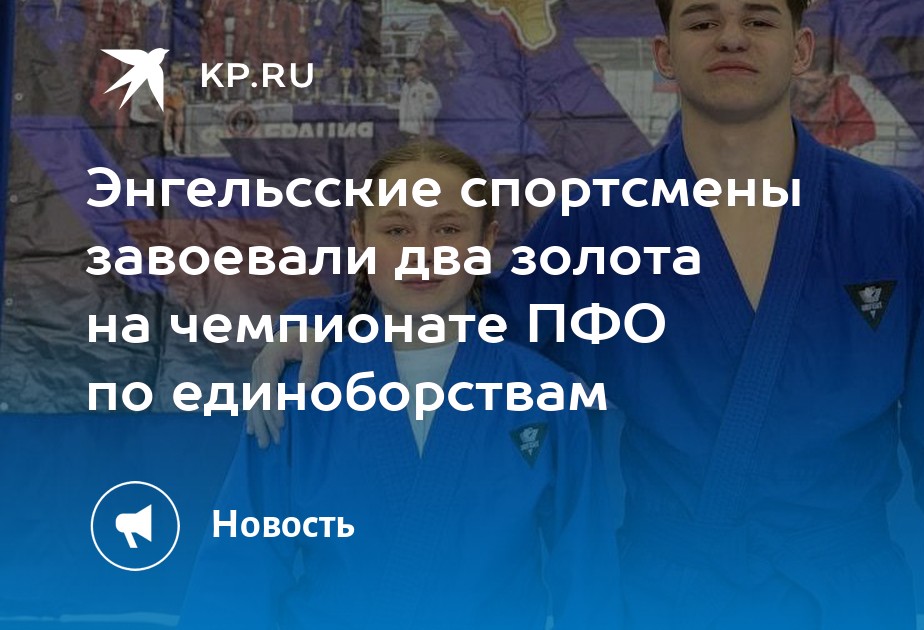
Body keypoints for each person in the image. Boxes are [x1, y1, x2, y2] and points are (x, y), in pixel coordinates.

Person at [251, 0, 924, 627]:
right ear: (664, 56)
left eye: (759, 18)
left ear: (802, 49)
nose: (730, 36)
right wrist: (333, 313)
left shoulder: (889, 217)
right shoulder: (600, 222)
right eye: (701, 20)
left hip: (846, 601)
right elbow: (470, 311)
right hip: (667, 600)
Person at [182, 140, 621, 628]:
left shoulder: (548, 398)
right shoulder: (299, 390)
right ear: (360, 238)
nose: (421, 253)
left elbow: (588, 580)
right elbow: (239, 570)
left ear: (486, 240)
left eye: (448, 229)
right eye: (397, 229)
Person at [791, 44, 875, 151]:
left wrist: (830, 142)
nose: (804, 88)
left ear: (830, 80)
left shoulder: (843, 97)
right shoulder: (791, 91)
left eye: (813, 82)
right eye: (800, 80)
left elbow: (866, 130)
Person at [396, 58, 441, 138]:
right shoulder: (405, 86)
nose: (409, 72)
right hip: (406, 131)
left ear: (419, 70)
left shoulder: (426, 86)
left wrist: (425, 128)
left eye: (412, 69)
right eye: (407, 69)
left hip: (421, 132)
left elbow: (431, 109)